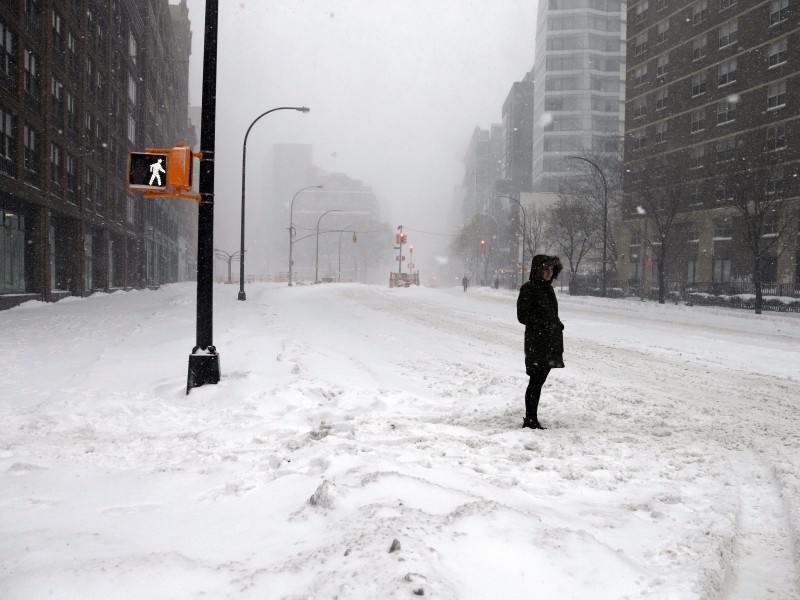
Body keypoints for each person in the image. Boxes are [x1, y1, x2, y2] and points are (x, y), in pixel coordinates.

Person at [516, 255, 564, 430]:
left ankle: (531, 418)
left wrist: (556, 324)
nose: (549, 273)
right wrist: (544, 324)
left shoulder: (548, 289)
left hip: (550, 341)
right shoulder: (529, 289)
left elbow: (550, 314)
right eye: (545, 269)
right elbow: (523, 316)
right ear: (537, 271)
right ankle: (530, 420)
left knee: (539, 380)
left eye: (551, 270)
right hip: (537, 341)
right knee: (536, 381)